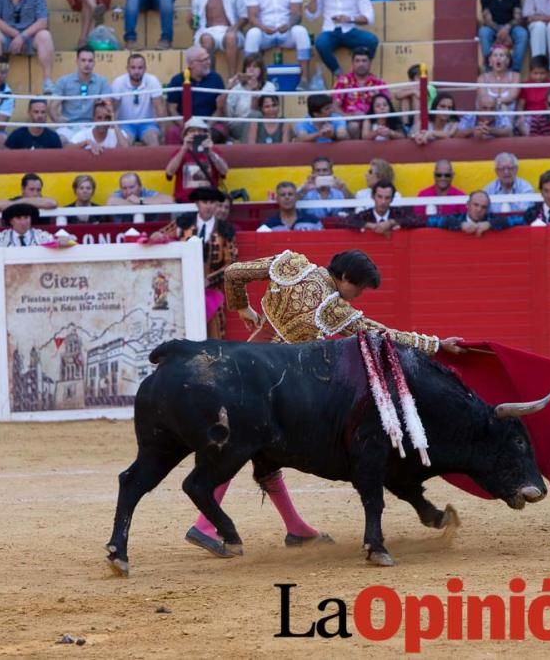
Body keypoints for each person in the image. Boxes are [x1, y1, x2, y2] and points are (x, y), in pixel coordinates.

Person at [182, 247, 464, 557]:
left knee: (265, 453)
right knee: (244, 445)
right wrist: (434, 344)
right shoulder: (334, 309)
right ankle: (205, 525)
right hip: (280, 384)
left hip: (245, 364)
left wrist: (243, 309)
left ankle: (295, 528)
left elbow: (234, 273)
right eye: (356, 289)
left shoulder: (291, 265)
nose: (356, 297)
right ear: (343, 277)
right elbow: (380, 334)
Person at [181, 186, 237, 339]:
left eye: (212, 202)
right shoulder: (183, 223)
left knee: (215, 336)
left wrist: (208, 281)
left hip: (212, 291)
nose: (209, 206)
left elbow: (231, 264)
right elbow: (162, 236)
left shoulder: (225, 230)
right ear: (197, 204)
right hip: (183, 289)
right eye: (204, 202)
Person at [0, 0, 56, 94]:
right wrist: (16, 34)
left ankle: (47, 81)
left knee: (45, 35)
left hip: (30, 36)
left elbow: (43, 22)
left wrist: (23, 36)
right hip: (6, 36)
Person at [244, 0, 312, 89]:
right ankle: (251, 80)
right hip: (264, 32)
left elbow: (297, 15)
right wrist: (263, 27)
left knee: (301, 31)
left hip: (286, 32)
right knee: (252, 34)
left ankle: (304, 79)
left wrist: (288, 25)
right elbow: (252, 17)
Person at [49, 47, 112, 145]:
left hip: (93, 127)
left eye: (90, 61)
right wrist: (58, 120)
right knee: (60, 140)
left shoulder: (102, 82)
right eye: (83, 60)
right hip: (69, 127)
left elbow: (106, 106)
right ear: (77, 61)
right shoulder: (64, 81)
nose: (87, 64)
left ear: (94, 62)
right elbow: (52, 106)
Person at [306, 0, 378, 78]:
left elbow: (369, 18)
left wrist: (350, 19)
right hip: (330, 31)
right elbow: (311, 16)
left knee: (372, 40)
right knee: (321, 43)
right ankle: (340, 77)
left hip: (350, 31)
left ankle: (359, 73)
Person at [165, 47, 227, 144]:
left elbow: (220, 109)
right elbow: (172, 109)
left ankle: (210, 158)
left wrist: (205, 127)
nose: (208, 62)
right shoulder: (177, 80)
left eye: (208, 58)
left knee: (218, 132)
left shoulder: (216, 79)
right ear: (191, 64)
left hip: (210, 124)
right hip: (185, 125)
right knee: (172, 133)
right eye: (204, 60)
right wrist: (188, 128)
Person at [459, 44, 517, 140]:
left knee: (503, 108)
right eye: (495, 55)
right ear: (490, 61)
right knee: (489, 109)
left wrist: (496, 105)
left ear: (507, 61)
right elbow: (483, 100)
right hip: (487, 112)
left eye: (502, 55)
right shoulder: (481, 78)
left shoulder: (515, 76)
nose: (498, 58)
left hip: (505, 112)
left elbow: (512, 96)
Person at [165, 116, 229, 202]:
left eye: (200, 131)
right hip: (184, 202)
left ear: (205, 134)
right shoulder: (179, 152)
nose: (196, 133)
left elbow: (224, 171)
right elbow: (169, 172)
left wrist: (210, 153)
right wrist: (184, 149)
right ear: (186, 135)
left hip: (208, 203)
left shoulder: (214, 151)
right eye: (192, 131)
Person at [333, 46, 388, 139]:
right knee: (353, 126)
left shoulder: (379, 83)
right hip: (350, 122)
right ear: (352, 63)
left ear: (370, 63)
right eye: (357, 61)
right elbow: (335, 107)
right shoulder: (343, 81)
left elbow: (387, 106)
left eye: (364, 61)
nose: (360, 64)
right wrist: (349, 116)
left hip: (373, 121)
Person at [111, 53, 165, 147]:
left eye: (140, 68)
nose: (136, 71)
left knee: (154, 142)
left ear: (145, 69)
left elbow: (159, 108)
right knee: (122, 146)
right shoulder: (118, 82)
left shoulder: (152, 81)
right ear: (127, 68)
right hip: (125, 124)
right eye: (133, 67)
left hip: (148, 124)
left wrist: (163, 132)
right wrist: (112, 129)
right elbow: (112, 109)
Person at [190, 0, 247, 76]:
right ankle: (211, 77)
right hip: (207, 30)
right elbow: (195, 22)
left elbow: (245, 16)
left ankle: (233, 78)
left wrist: (235, 27)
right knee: (206, 39)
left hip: (229, 29)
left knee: (231, 37)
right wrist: (190, 22)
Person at [221, 56, 276, 141]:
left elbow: (266, 112)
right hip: (239, 124)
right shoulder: (237, 87)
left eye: (255, 66)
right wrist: (229, 87)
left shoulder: (269, 87)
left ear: (261, 70)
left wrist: (254, 91)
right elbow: (228, 114)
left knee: (255, 115)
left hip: (262, 124)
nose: (251, 69)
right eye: (248, 66)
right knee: (254, 117)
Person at [345, 180, 422, 235]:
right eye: (380, 197)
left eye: (387, 198)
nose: (383, 202)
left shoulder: (398, 213)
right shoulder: (366, 215)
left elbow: (418, 220)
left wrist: (391, 222)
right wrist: (369, 225)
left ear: (392, 199)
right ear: (373, 197)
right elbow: (346, 220)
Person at [478, 0, 528, 71]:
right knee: (483, 32)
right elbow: (487, 20)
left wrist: (507, 28)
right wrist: (502, 31)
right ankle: (490, 69)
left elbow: (518, 18)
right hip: (493, 28)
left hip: (511, 27)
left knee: (522, 34)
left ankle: (515, 70)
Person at [425, 190, 494, 236]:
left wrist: (490, 224)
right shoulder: (458, 218)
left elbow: (505, 220)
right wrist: (460, 224)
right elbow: (430, 221)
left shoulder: (490, 218)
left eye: (484, 207)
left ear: (487, 209)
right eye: (475, 205)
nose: (479, 209)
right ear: (467, 205)